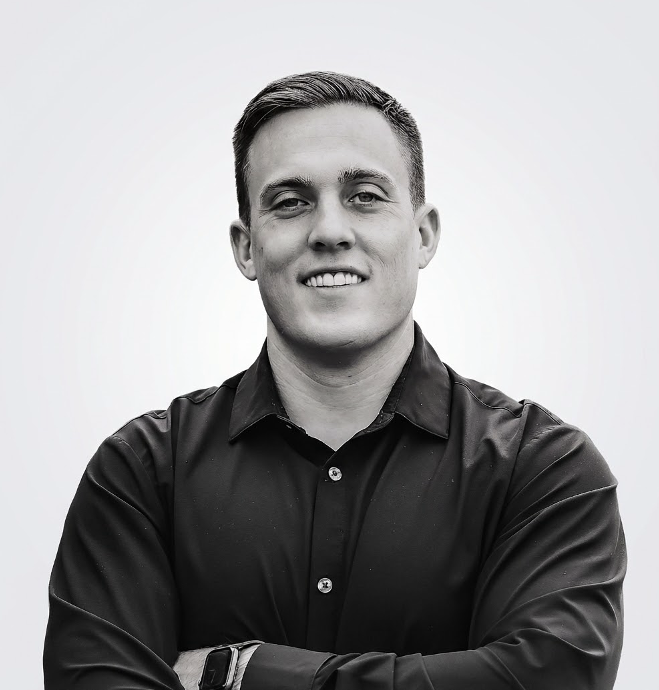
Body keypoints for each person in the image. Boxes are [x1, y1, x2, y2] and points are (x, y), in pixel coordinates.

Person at [43, 71, 626, 690]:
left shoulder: (542, 470)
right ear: (246, 247)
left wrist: (244, 674)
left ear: (423, 234)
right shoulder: (140, 475)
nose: (328, 231)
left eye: (365, 196)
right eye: (289, 202)